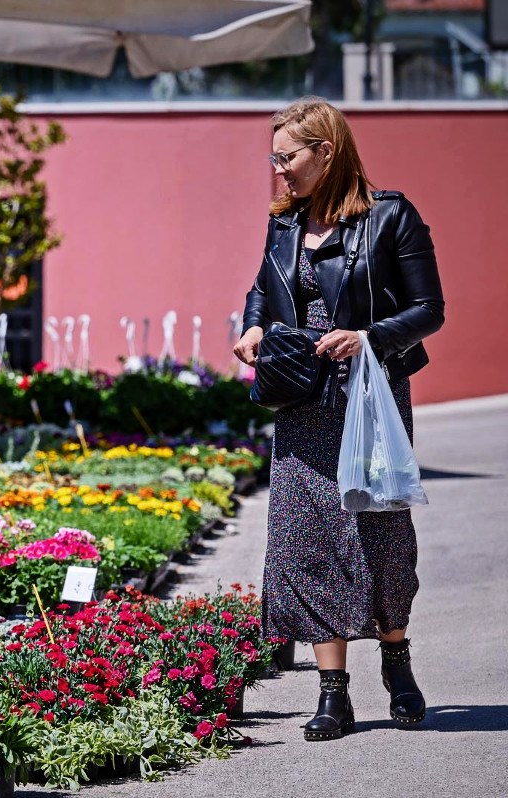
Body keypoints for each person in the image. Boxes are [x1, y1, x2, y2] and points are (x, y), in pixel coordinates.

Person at [233, 97, 444, 741]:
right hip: (301, 396)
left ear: (326, 152)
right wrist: (251, 326)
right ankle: (333, 693)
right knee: (308, 535)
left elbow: (429, 310)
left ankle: (397, 665)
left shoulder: (392, 215)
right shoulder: (285, 225)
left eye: (287, 157)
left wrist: (367, 336)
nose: (278, 171)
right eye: (273, 158)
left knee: (379, 529)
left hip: (370, 395)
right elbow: (261, 289)